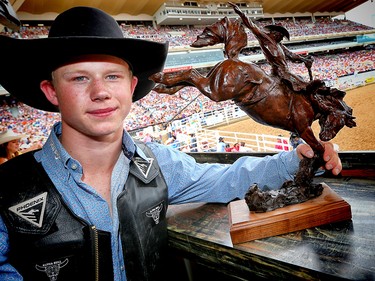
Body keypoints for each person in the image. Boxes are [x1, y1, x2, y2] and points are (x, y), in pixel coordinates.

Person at [0, 6, 342, 281]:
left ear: (131, 87)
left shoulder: (158, 164)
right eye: (79, 78)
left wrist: (295, 157)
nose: (100, 91)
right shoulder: (5, 190)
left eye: (113, 76)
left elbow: (227, 180)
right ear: (51, 91)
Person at [230, 2, 314, 92]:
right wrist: (241, 13)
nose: (282, 38)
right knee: (307, 87)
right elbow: (252, 26)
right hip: (280, 74)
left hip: (285, 72)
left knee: (305, 83)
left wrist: (304, 59)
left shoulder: (279, 44)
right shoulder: (266, 39)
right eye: (282, 35)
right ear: (275, 33)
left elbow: (291, 55)